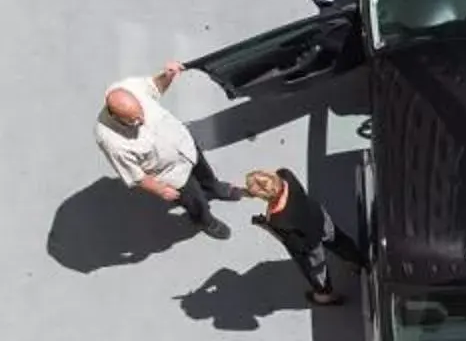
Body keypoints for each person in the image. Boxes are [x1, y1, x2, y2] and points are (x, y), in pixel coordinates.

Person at [93, 62, 242, 239]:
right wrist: (161, 190)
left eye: (141, 112)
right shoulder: (111, 141)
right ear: (116, 117)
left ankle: (214, 187)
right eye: (134, 120)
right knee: (194, 199)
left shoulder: (128, 88)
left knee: (204, 170)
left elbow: (155, 86)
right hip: (171, 172)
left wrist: (167, 76)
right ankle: (204, 220)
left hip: (184, 144)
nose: (141, 121)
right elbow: (136, 176)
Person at [240, 168, 364, 306]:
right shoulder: (286, 175)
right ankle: (356, 261)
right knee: (338, 240)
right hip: (318, 216)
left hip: (310, 241)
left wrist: (267, 224)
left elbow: (292, 241)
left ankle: (325, 295)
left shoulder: (277, 219)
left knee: (316, 270)